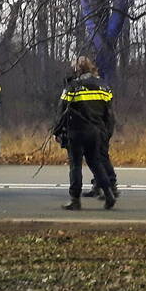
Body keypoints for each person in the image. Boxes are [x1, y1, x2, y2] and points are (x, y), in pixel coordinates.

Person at [53, 56, 116, 210]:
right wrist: (107, 131)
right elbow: (109, 112)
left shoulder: (73, 87)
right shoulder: (104, 87)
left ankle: (75, 200)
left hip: (76, 130)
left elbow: (61, 110)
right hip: (96, 131)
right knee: (95, 162)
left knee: (75, 165)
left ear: (77, 69)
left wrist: (56, 131)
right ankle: (108, 194)